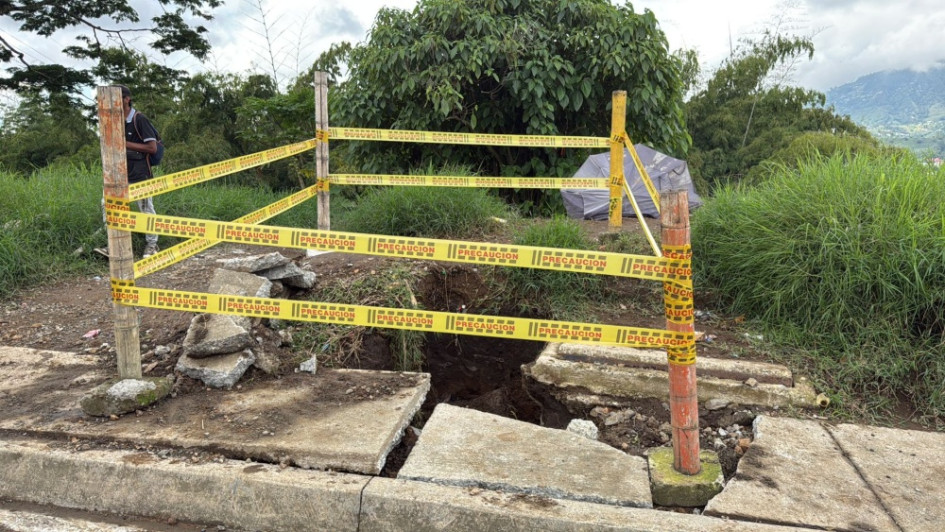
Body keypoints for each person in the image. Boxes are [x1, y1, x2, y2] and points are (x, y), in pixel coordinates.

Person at [98, 85, 160, 258]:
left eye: (117, 98)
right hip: (117, 174)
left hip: (140, 174)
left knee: (146, 209)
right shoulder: (112, 120)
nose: (113, 103)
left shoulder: (139, 119)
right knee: (109, 206)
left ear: (126, 99)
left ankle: (152, 245)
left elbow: (152, 147)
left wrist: (123, 143)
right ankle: (116, 246)